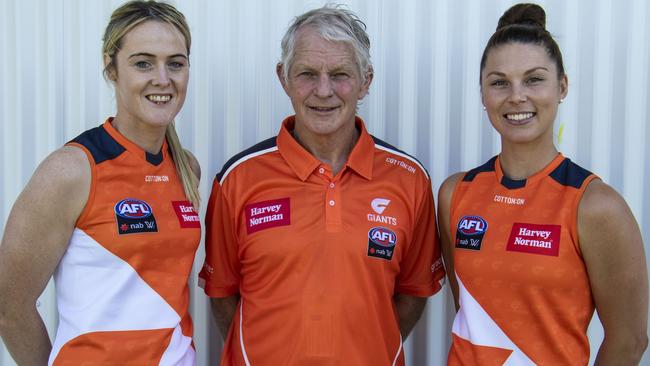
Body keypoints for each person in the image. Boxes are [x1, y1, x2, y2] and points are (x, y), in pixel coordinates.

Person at [199, 5, 445, 365]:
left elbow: (413, 292)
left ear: (366, 80)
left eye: (341, 74)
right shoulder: (238, 177)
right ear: (283, 77)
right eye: (307, 74)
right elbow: (223, 294)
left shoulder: (408, 179)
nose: (324, 90)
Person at [438, 3, 648, 365]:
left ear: (562, 86)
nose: (516, 96)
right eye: (499, 82)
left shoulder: (595, 206)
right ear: (483, 95)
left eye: (534, 79)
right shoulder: (455, 193)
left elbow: (629, 341)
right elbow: (471, 311)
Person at [0, 1, 201, 364]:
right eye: (143, 63)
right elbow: (8, 304)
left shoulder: (186, 168)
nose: (162, 78)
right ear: (112, 68)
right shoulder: (72, 170)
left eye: (176, 63)